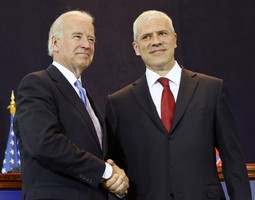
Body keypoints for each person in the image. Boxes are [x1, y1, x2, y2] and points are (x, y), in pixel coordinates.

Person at [105, 10, 252, 200]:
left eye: (162, 33)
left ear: (175, 39)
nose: (156, 41)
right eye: (146, 36)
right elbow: (115, 170)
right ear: (136, 47)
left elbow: (233, 161)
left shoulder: (211, 89)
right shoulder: (118, 103)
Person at [14, 10, 129, 200]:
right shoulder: (37, 84)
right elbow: (44, 143)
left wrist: (117, 180)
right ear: (55, 43)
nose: (86, 45)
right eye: (78, 37)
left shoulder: (86, 97)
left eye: (91, 39)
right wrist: (106, 172)